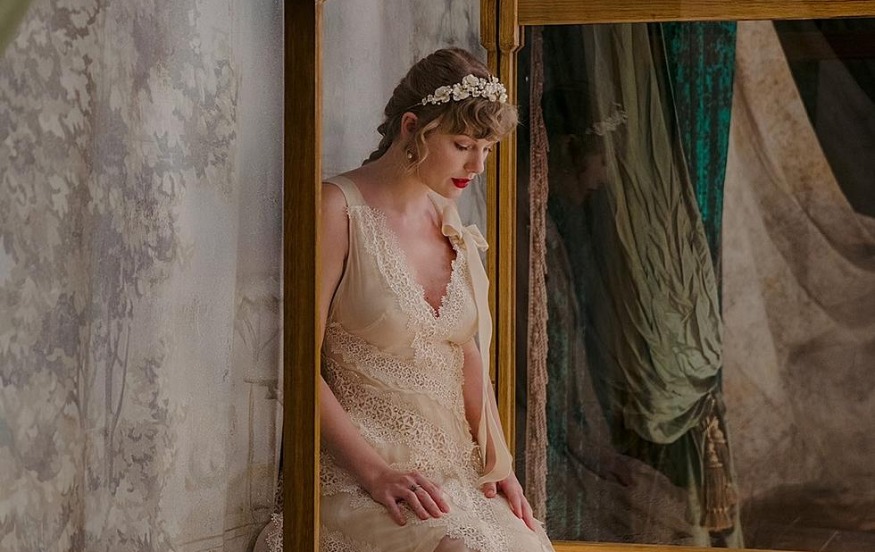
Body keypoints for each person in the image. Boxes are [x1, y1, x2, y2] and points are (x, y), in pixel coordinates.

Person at [257, 48, 555, 552]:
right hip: (361, 474)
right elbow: (298, 366)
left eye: (487, 149)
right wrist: (376, 474)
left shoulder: (450, 222)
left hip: (456, 474)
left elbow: (466, 356)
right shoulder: (337, 210)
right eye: (463, 145)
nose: (477, 166)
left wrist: (499, 464)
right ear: (412, 127)